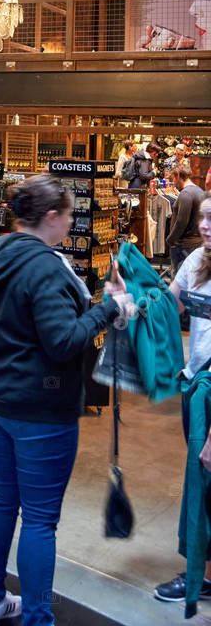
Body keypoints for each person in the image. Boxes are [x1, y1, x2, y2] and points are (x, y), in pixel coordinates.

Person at [0, 174, 130, 626]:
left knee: (0, 499)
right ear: (51, 217)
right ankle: (37, 619)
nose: (73, 223)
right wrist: (108, 307)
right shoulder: (46, 268)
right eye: (70, 215)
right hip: (40, 408)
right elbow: (63, 341)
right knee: (38, 519)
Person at [154, 196, 211, 605]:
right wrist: (130, 296)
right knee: (202, 486)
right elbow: (167, 305)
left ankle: (203, 577)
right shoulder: (196, 262)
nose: (205, 225)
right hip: (194, 385)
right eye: (205, 217)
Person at [167, 165, 206, 273]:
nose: (174, 183)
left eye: (174, 179)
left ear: (178, 176)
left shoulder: (186, 194)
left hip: (184, 246)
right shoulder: (199, 190)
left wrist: (170, 239)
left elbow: (181, 221)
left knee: (181, 282)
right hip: (196, 244)